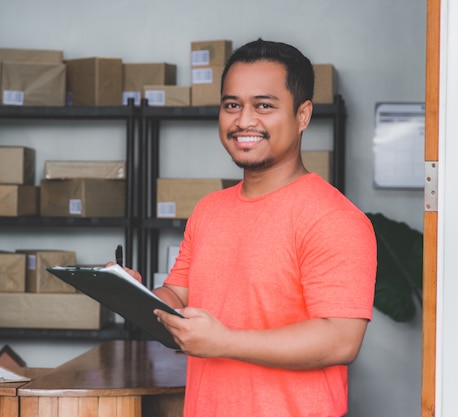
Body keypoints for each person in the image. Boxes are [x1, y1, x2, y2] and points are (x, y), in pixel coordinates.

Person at [123, 39, 377, 417]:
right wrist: (135, 296)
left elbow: (341, 341)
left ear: (303, 115)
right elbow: (178, 295)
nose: (244, 120)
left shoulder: (334, 218)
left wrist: (225, 341)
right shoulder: (210, 209)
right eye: (232, 105)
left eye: (264, 106)